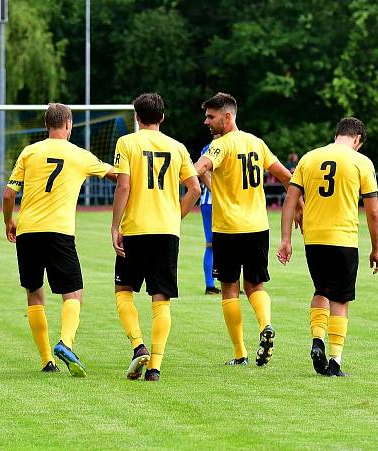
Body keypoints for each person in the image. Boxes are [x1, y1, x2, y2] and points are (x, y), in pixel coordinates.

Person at [3, 103, 115, 376]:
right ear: (68, 125)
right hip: (59, 232)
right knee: (73, 292)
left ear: (45, 125)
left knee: (34, 292)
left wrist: (9, 221)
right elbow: (116, 175)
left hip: (28, 231)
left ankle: (46, 361)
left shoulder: (29, 152)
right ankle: (65, 342)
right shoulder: (80, 155)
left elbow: (8, 194)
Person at [193, 92, 296, 367]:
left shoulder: (221, 145)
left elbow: (201, 166)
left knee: (229, 288)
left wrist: (184, 173)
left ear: (227, 117)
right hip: (258, 227)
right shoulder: (257, 143)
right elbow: (287, 177)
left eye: (211, 116)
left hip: (228, 228)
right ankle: (266, 325)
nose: (206, 122)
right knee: (255, 285)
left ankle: (240, 354)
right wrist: (298, 206)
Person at [277, 117, 378, 377]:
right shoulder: (361, 162)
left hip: (314, 239)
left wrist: (286, 238)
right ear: (357, 139)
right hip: (343, 238)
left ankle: (317, 340)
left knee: (320, 290)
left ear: (338, 134)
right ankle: (334, 360)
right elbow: (373, 213)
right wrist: (376, 249)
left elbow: (290, 200)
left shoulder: (309, 158)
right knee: (341, 299)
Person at [111, 93, 201, 382]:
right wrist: (176, 216)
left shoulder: (127, 143)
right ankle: (155, 368)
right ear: (162, 117)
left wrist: (115, 226)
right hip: (166, 231)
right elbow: (195, 189)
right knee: (161, 299)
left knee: (124, 291)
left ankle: (138, 346)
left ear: (137, 117)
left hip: (136, 229)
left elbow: (123, 187)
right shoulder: (177, 147)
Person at [199, 133, 220, 296]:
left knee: (231, 242)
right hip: (211, 202)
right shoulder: (209, 148)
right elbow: (203, 172)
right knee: (211, 244)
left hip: (220, 202)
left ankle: (228, 281)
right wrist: (217, 192)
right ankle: (210, 285)